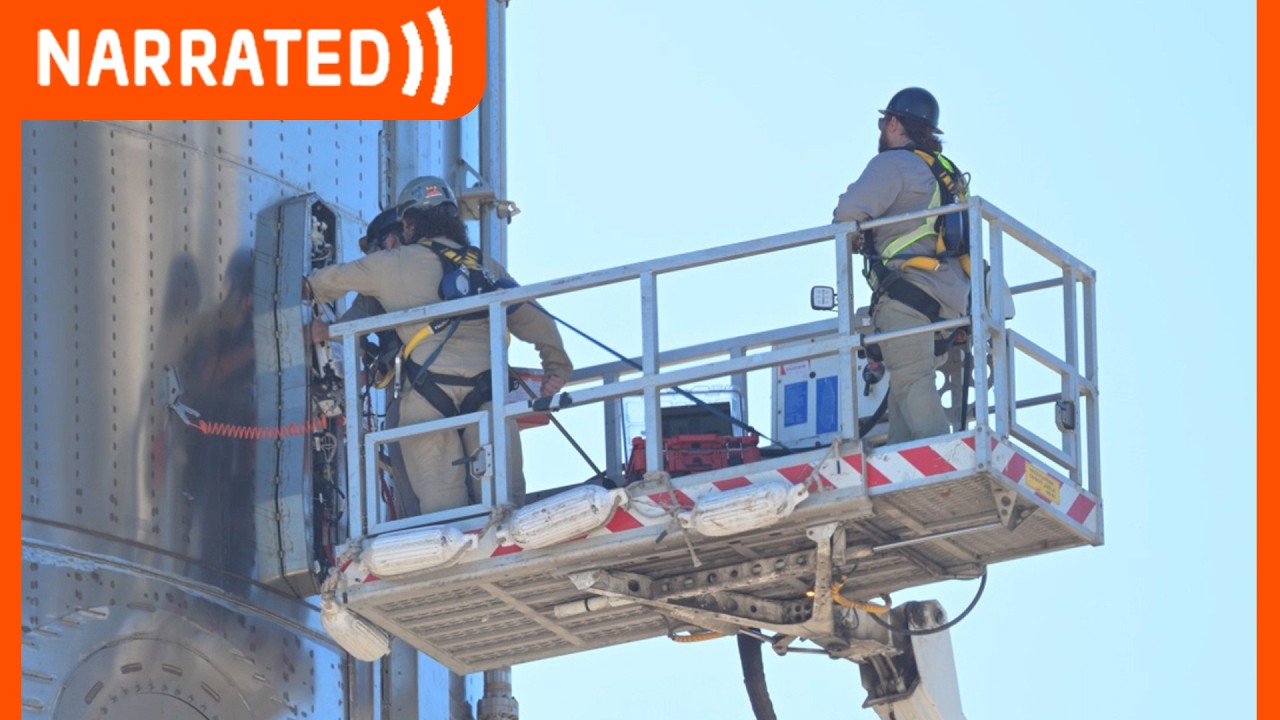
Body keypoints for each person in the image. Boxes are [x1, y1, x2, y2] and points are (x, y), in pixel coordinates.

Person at [307, 176, 573, 514]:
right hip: (488, 400)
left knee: (445, 517)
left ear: (408, 223)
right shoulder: (486, 267)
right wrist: (557, 369)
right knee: (506, 507)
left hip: (427, 400)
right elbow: (537, 320)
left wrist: (318, 322)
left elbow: (328, 282)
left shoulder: (393, 263)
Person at [833, 87, 969, 444]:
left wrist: (854, 236)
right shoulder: (945, 173)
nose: (881, 128)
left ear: (894, 124)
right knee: (904, 386)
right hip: (950, 300)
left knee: (911, 381)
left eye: (883, 121)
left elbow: (846, 214)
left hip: (910, 296)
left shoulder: (893, 164)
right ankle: (903, 454)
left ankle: (945, 458)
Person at [311, 206, 421, 519]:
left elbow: (351, 327)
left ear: (391, 241)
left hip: (422, 394)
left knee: (413, 466)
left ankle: (419, 532)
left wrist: (317, 328)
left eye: (374, 251)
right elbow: (377, 341)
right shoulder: (434, 270)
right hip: (433, 389)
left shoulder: (395, 272)